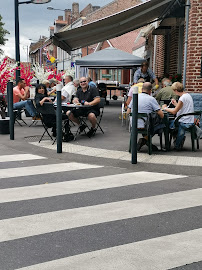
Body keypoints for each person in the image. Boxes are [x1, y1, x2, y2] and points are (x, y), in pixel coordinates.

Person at [127, 82, 164, 151]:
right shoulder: (151, 99)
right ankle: (145, 140)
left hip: (134, 124)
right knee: (160, 125)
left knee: (150, 123)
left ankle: (145, 140)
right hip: (146, 125)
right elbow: (161, 115)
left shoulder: (135, 97)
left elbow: (128, 112)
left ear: (141, 89)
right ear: (150, 90)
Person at [162, 82, 194, 150]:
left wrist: (164, 108)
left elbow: (174, 112)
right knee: (173, 123)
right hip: (189, 119)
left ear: (176, 90)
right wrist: (176, 104)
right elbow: (183, 107)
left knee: (167, 124)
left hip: (183, 120)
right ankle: (178, 140)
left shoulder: (182, 98)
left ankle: (172, 144)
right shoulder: (188, 95)